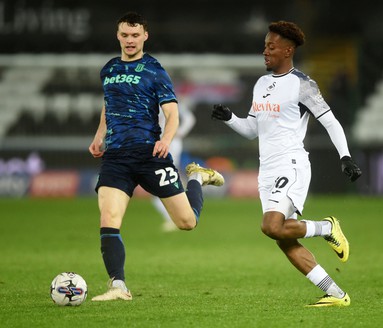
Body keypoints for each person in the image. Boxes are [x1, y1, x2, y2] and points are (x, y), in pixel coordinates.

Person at [211, 21, 361, 307]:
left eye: (271, 46)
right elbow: (252, 129)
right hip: (266, 170)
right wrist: (230, 118)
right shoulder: (261, 84)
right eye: (265, 45)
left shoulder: (302, 84)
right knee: (282, 236)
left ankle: (327, 228)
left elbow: (330, 121)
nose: (265, 51)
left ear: (288, 50)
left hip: (290, 165)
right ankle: (336, 294)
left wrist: (345, 156)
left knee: (271, 226)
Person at [88, 11, 224, 301]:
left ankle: (198, 177)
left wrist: (166, 139)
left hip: (150, 155)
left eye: (135, 35)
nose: (130, 40)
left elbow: (172, 113)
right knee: (108, 217)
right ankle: (118, 286)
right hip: (116, 157)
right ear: (118, 35)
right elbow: (108, 104)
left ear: (145, 36)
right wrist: (100, 134)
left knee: (187, 222)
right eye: (125, 35)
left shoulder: (154, 69)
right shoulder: (109, 69)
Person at [152, 98, 197, 232]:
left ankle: (176, 216)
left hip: (170, 142)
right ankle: (180, 213)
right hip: (159, 143)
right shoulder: (153, 101)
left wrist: (180, 133)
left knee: (163, 181)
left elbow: (190, 118)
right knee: (163, 180)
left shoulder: (169, 101)